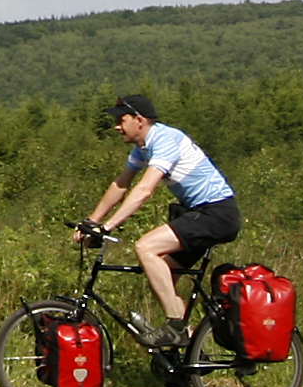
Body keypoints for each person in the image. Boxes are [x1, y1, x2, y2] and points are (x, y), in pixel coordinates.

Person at [76, 95, 238, 333]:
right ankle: (187, 347)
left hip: (216, 212)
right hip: (198, 213)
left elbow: (144, 190)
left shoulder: (164, 140)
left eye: (121, 120)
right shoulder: (143, 147)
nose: (116, 126)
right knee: (163, 278)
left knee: (146, 247)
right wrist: (92, 220)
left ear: (139, 120)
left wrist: (108, 226)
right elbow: (121, 184)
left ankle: (175, 327)